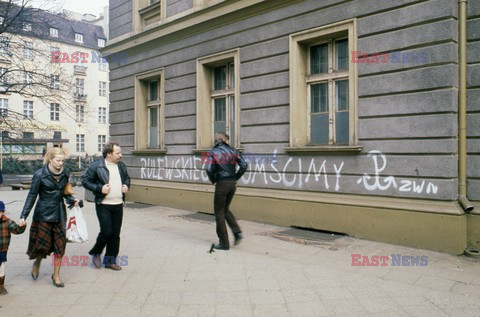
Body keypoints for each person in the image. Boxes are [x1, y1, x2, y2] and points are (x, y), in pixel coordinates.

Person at [19, 148, 79, 288]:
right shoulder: (39, 175)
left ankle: (56, 275)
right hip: (43, 214)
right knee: (42, 245)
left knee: (60, 246)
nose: (60, 163)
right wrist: (23, 216)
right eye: (58, 160)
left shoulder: (65, 173)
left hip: (59, 213)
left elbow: (65, 192)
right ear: (50, 159)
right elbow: (32, 196)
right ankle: (37, 263)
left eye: (62, 161)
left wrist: (72, 200)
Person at [82, 142, 130, 270]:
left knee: (115, 234)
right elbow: (85, 181)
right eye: (118, 153)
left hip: (118, 204)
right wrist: (99, 188)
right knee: (107, 231)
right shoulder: (96, 166)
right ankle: (96, 252)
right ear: (109, 154)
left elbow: (127, 179)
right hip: (103, 204)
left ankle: (110, 261)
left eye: (120, 152)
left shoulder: (121, 166)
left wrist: (126, 186)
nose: (121, 155)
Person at [205, 132, 248, 250]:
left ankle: (224, 243)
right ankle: (237, 232)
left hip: (222, 184)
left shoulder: (213, 152)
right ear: (225, 140)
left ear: (217, 140)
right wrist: (235, 177)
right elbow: (244, 165)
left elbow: (208, 168)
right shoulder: (233, 151)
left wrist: (214, 180)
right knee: (225, 209)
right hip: (232, 184)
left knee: (219, 212)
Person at [0, 200, 26, 295]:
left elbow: (17, 230)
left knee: (1, 267)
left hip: (2, 249)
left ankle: (1, 286)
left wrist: (22, 225)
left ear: (2, 212)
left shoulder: (8, 222)